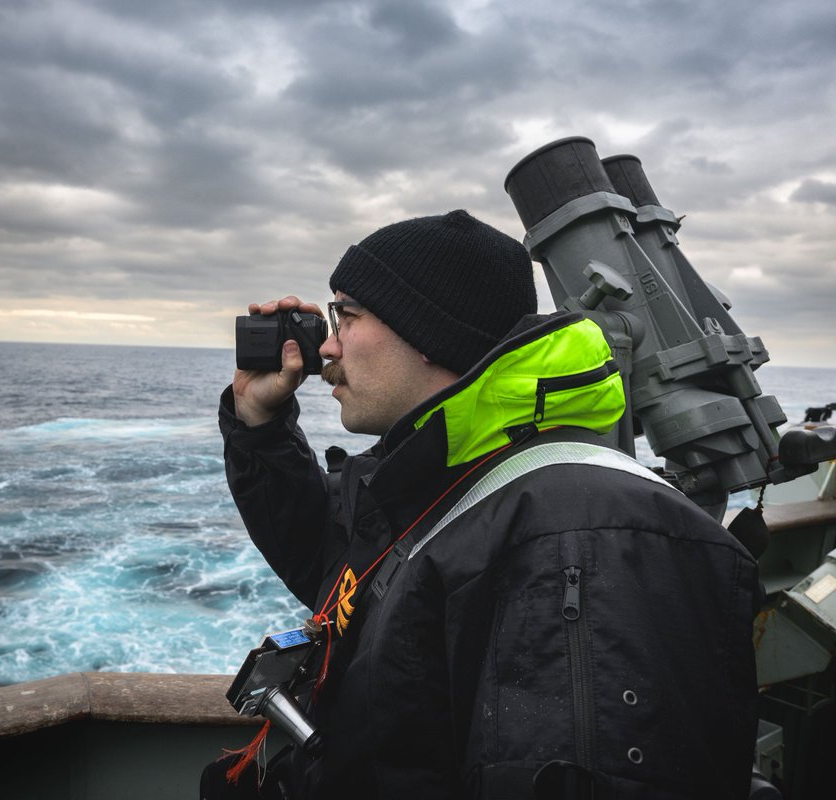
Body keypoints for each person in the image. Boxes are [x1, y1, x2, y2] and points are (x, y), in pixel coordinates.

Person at [204, 211, 760, 799]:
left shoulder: (578, 539)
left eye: (347, 314)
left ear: (427, 333)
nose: (327, 345)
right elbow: (343, 569)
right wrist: (259, 424)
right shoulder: (445, 479)